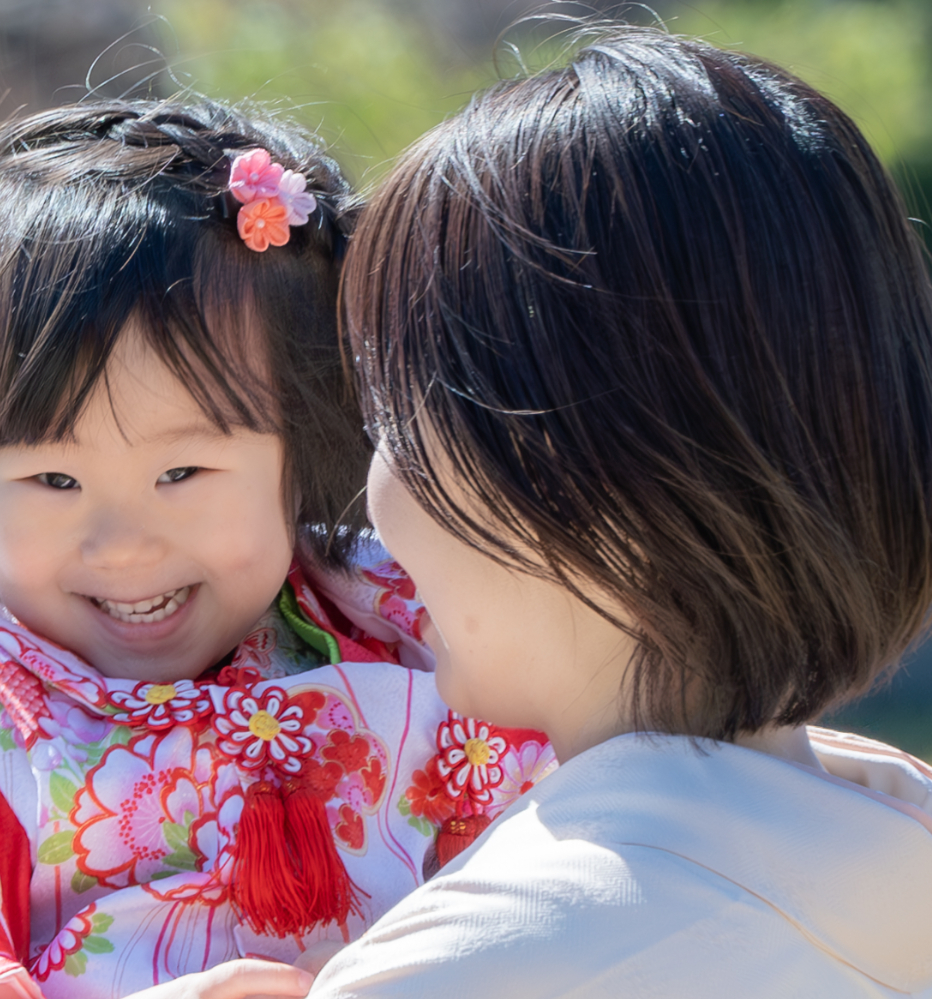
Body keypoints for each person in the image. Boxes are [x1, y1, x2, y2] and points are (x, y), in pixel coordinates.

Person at [0, 99, 554, 999]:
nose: (121, 545)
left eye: (184, 470)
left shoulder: (409, 621)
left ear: (299, 449)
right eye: (55, 482)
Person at [313, 26, 932, 999]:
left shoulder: (483, 962)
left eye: (393, 411)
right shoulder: (897, 841)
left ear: (561, 464)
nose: (371, 500)